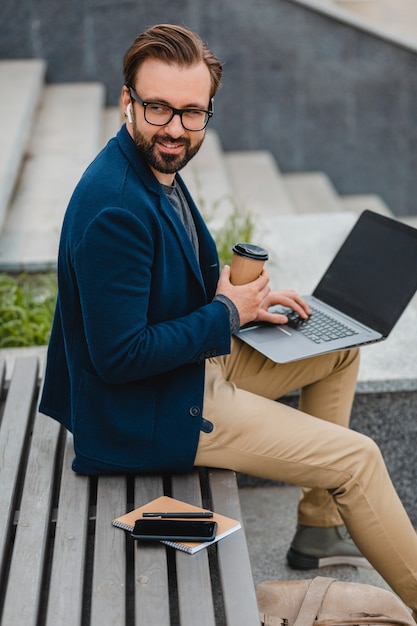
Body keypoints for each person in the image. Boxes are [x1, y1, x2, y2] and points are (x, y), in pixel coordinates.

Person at [39, 23, 417, 619]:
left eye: (193, 113)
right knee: (358, 458)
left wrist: (235, 301)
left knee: (340, 349)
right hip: (153, 411)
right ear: (127, 101)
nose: (176, 129)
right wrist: (225, 313)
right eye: (158, 107)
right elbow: (119, 356)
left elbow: (155, 292)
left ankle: (318, 530)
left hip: (187, 369)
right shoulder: (115, 206)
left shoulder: (153, 169)